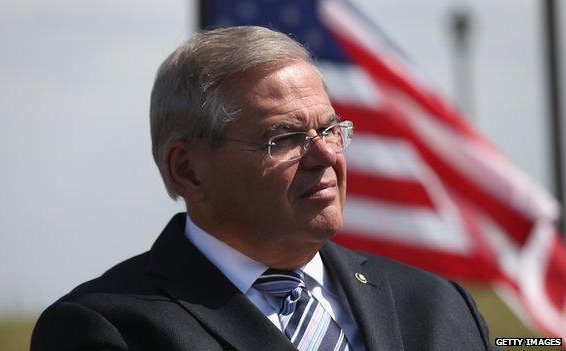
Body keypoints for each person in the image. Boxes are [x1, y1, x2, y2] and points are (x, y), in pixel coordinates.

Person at [31, 26, 491, 351]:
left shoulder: (439, 307)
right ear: (187, 170)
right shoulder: (108, 329)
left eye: (330, 129)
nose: (326, 156)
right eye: (285, 139)